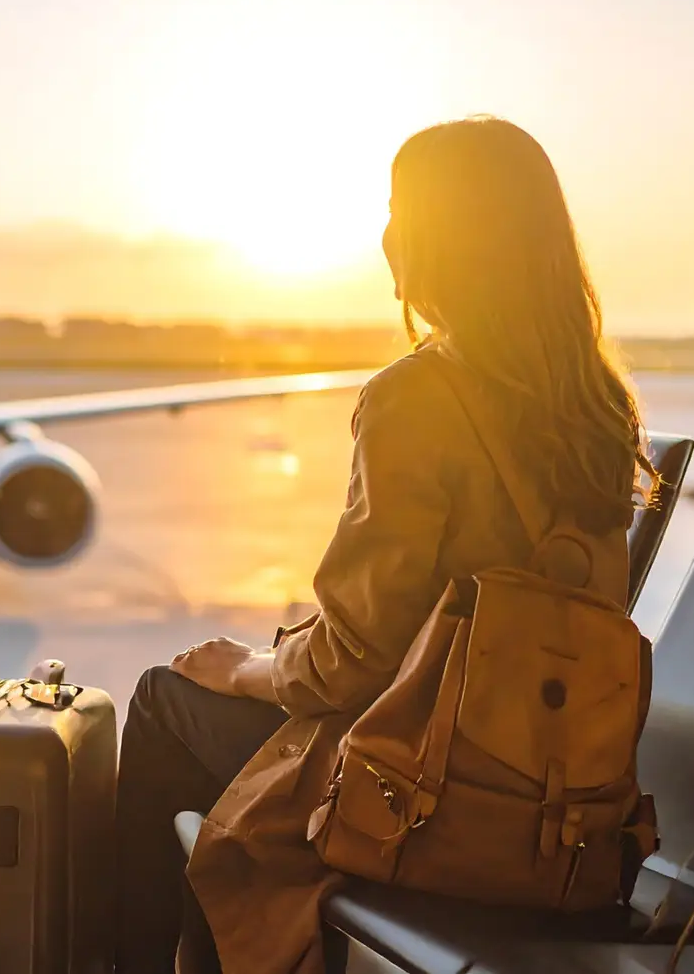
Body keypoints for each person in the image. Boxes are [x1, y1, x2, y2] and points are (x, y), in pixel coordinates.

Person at [111, 116, 658, 974]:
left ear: (435, 240)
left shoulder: (417, 398)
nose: (385, 234)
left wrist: (248, 666)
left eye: (399, 210)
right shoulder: (601, 409)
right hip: (559, 819)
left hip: (427, 795)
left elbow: (353, 663)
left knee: (162, 702)